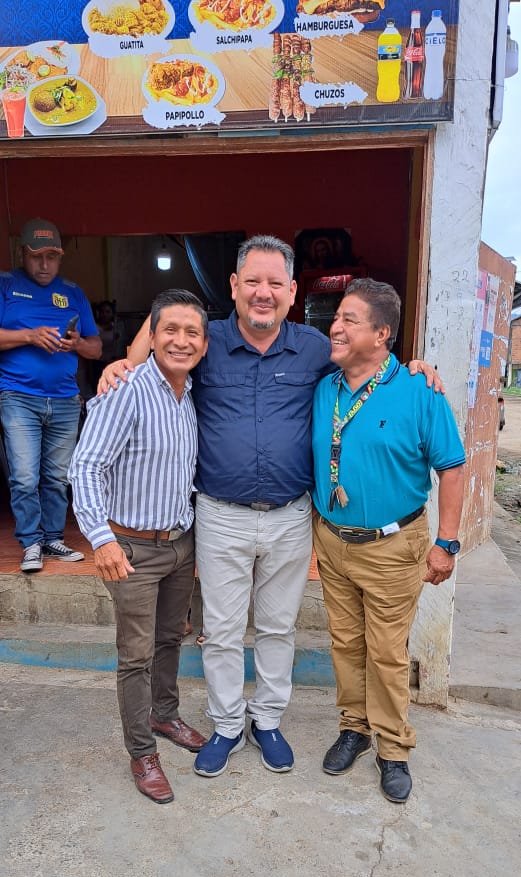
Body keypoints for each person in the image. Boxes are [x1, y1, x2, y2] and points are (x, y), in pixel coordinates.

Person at [99, 236, 441, 781]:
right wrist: (125, 362)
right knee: (223, 630)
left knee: (279, 628)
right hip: (220, 515)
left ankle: (268, 721)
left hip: (290, 516)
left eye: (275, 283)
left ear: (292, 291)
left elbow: (371, 363)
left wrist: (417, 366)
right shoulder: (205, 340)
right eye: (253, 281)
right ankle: (227, 725)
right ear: (234, 287)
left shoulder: (313, 347)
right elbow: (163, 337)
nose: (264, 293)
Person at [312, 278, 466, 804]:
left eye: (349, 319)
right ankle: (353, 728)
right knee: (345, 642)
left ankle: (394, 748)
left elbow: (452, 468)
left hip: (393, 547)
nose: (335, 327)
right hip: (332, 540)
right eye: (336, 318)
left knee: (385, 650)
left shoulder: (420, 390)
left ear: (382, 334)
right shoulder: (326, 388)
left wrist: (447, 543)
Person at [69, 289, 209, 804]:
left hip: (180, 543)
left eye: (192, 332)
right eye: (169, 329)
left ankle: (165, 715)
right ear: (150, 335)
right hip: (131, 549)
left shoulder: (190, 393)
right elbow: (86, 466)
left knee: (170, 638)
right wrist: (101, 538)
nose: (181, 341)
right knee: (135, 656)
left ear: (204, 343)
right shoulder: (125, 389)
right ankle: (142, 752)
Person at [0, 219, 102, 573]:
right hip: (19, 396)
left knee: (58, 478)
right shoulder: (6, 284)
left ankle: (52, 538)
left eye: (52, 257)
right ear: (22, 254)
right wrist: (28, 336)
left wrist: (78, 343)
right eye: (36, 256)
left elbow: (95, 348)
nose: (44, 265)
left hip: (64, 399)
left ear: (60, 257)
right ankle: (31, 542)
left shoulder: (73, 292)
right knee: (24, 476)